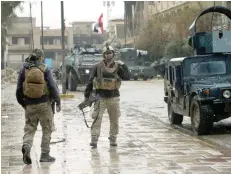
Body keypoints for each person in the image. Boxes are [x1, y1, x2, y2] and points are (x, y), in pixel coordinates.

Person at [16, 48, 61, 164]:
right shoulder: (45, 69)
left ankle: (26, 145)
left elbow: (18, 90)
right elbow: (52, 86)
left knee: (30, 128)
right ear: (41, 57)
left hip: (29, 104)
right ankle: (45, 155)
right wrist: (58, 101)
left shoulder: (24, 69)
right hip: (44, 104)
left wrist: (24, 104)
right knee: (47, 129)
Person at [84, 45, 130, 147]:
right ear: (103, 54)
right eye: (106, 53)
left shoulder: (118, 66)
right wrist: (87, 96)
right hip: (100, 97)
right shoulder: (97, 66)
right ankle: (94, 139)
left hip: (114, 97)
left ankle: (113, 138)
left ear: (113, 54)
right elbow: (90, 81)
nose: (108, 55)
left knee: (114, 119)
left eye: (110, 53)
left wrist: (124, 65)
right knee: (96, 119)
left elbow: (127, 77)